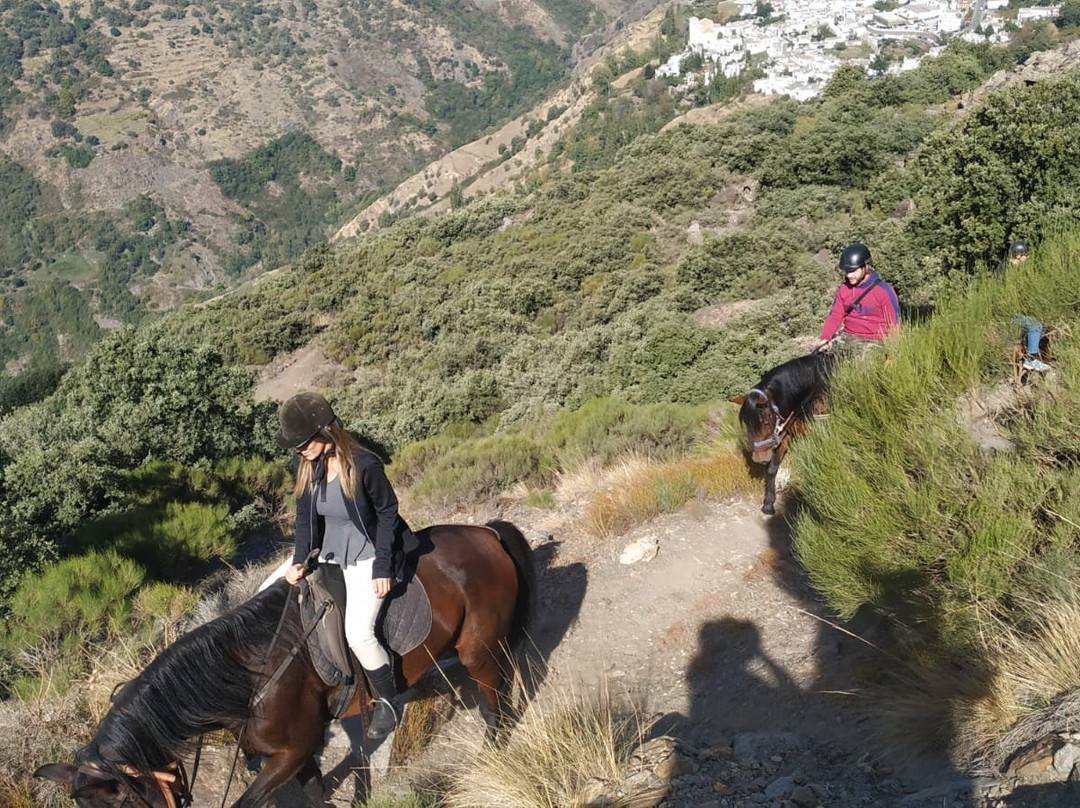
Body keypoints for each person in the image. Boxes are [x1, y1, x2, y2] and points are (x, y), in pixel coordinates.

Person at [262, 392, 419, 739]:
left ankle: (389, 701)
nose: (298, 450)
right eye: (295, 446)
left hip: (367, 552)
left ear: (326, 431)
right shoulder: (305, 465)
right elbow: (304, 518)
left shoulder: (364, 465)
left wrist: (382, 567)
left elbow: (388, 513)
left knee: (359, 634)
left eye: (303, 443)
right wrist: (299, 561)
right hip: (327, 551)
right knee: (265, 592)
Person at [816, 242, 900, 355]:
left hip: (875, 341)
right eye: (847, 271)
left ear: (866, 267)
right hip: (848, 337)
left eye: (853, 271)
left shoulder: (884, 291)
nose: (849, 275)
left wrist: (892, 356)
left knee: (863, 362)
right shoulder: (844, 289)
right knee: (818, 357)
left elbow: (894, 324)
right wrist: (826, 338)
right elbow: (835, 315)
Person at [998, 241, 1051, 372]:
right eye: (1026, 255)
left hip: (1015, 310)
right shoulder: (1005, 271)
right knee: (1035, 325)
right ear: (1018, 256)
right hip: (1008, 313)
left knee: (1043, 326)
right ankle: (1031, 360)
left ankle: (1030, 348)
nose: (1028, 257)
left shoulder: (1018, 270)